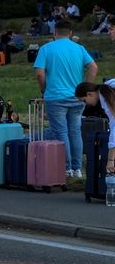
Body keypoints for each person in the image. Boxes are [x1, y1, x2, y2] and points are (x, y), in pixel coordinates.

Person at [34, 20, 98, 177]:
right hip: (76, 97)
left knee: (61, 132)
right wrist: (86, 89)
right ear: (71, 33)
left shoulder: (46, 49)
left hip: (55, 97)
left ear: (54, 32)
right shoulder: (79, 48)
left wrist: (44, 89)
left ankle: (66, 167)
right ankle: (77, 168)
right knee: (75, 131)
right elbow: (93, 67)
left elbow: (39, 73)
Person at [76, 80, 115, 175]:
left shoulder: (106, 101)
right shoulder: (107, 85)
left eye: (84, 101)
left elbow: (114, 130)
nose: (86, 104)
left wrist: (110, 160)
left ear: (89, 94)